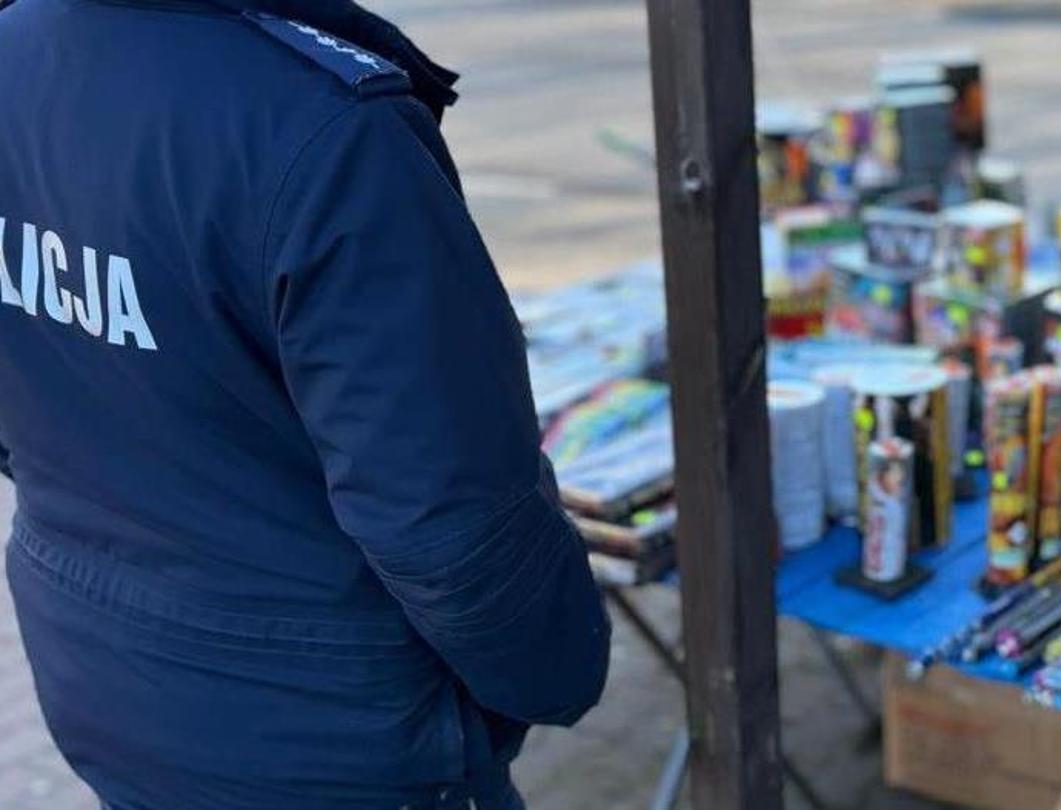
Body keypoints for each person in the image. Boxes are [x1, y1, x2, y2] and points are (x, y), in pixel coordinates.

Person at [0, 1, 611, 807]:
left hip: (114, 687)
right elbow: (452, 532)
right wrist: (563, 673)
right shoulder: (328, 131)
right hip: (340, 745)